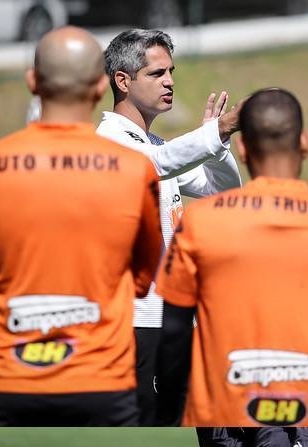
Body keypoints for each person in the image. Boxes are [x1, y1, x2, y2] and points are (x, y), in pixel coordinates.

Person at [0, 27, 162, 426]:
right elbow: (144, 277)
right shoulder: (134, 169)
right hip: (102, 379)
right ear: (98, 87)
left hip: (9, 379)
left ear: (32, 82)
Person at [155, 88, 308, 427]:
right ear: (304, 142)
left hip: (218, 408)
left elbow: (174, 326)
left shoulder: (200, 221)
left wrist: (171, 403)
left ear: (243, 150)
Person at [96, 29, 242, 425]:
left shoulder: (155, 144)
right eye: (157, 73)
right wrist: (217, 132)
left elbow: (222, 192)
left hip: (173, 320)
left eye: (171, 72)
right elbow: (153, 165)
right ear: (122, 81)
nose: (170, 81)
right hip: (135, 321)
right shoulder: (109, 140)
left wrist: (218, 145)